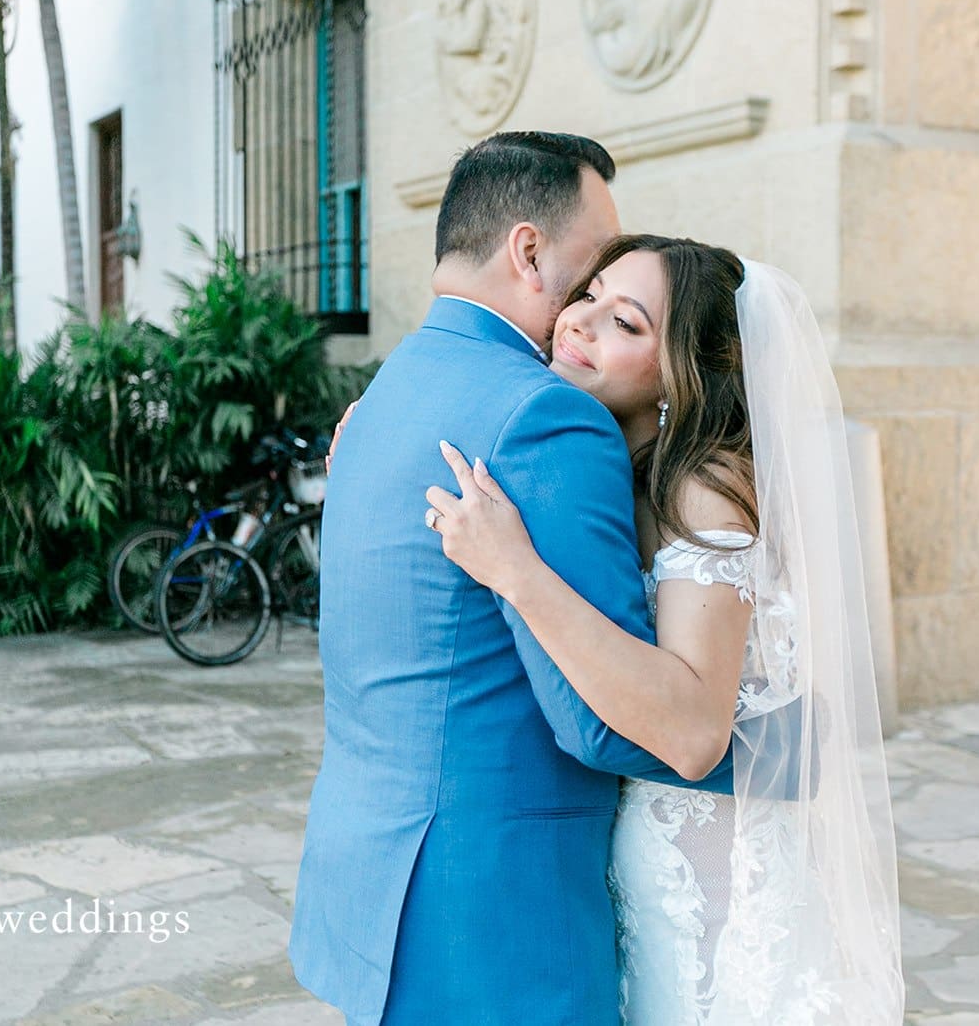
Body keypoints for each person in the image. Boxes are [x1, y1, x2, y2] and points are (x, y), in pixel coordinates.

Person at [290, 133, 734, 1026]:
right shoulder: (547, 416)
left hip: (370, 880)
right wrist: (771, 752)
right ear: (530, 251)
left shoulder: (379, 402)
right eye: (591, 266)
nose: (588, 299)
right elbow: (595, 722)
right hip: (495, 923)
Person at [426, 235, 904, 1022]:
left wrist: (514, 568)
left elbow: (691, 733)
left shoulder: (705, 489)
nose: (580, 322)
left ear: (678, 375)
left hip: (719, 897)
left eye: (628, 323)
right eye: (590, 295)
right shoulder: (614, 463)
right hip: (652, 869)